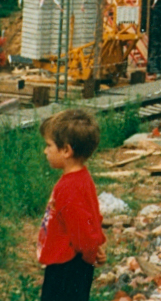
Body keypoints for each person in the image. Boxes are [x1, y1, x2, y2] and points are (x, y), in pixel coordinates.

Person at [37, 109, 107, 301]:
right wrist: (96, 243)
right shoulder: (82, 177)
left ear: (66, 150)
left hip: (67, 267)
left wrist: (90, 250)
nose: (46, 151)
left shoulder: (69, 188)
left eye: (49, 145)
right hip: (71, 263)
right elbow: (93, 216)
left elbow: (80, 229)